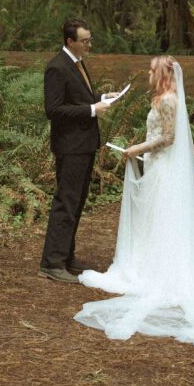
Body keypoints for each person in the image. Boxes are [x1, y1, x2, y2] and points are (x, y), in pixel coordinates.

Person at [75, 56, 194, 350]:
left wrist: (136, 149)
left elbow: (168, 138)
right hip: (156, 164)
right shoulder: (162, 98)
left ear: (163, 74)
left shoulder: (169, 100)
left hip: (165, 168)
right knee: (156, 220)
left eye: (152, 70)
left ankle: (165, 271)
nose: (148, 73)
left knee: (165, 217)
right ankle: (152, 263)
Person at [39, 18, 118, 284]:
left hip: (84, 146)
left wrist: (101, 100)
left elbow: (79, 98)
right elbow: (53, 110)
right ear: (69, 41)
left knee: (78, 202)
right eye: (84, 41)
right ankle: (52, 263)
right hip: (70, 147)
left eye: (89, 39)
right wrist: (91, 110)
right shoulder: (57, 67)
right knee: (66, 202)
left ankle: (66, 256)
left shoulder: (77, 63)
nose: (89, 45)